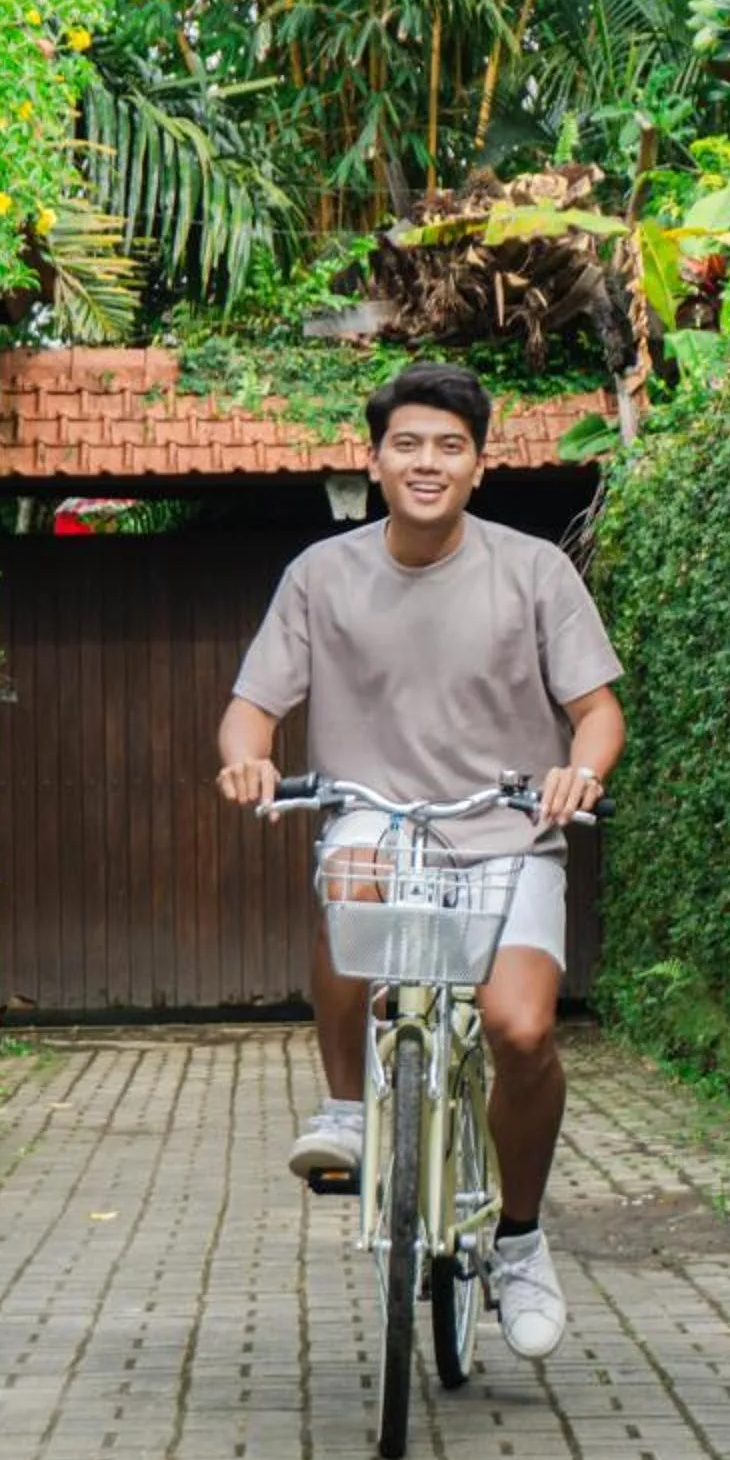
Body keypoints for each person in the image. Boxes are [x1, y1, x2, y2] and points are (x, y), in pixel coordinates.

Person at [216, 361, 625, 1362]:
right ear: (374, 460)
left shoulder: (534, 570)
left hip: (506, 831)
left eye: (449, 445)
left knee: (520, 1032)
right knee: (348, 878)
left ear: (479, 466)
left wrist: (579, 772)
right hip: (379, 823)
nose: (427, 462)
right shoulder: (321, 574)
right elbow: (253, 706)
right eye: (408, 444)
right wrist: (247, 758)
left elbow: (597, 712)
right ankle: (347, 1111)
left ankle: (519, 1240)